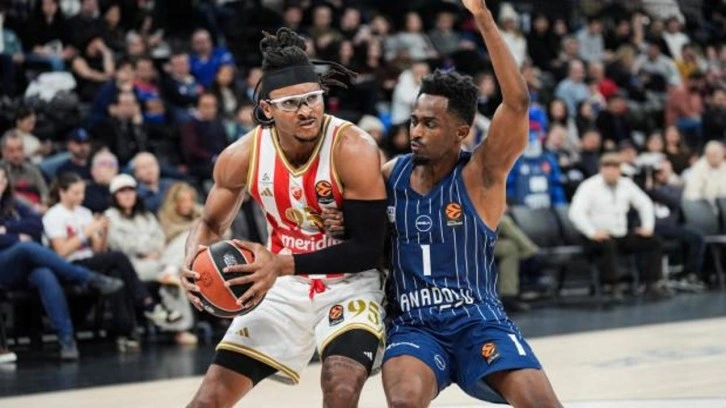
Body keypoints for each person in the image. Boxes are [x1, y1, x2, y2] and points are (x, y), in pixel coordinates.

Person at [328, 1, 561, 405]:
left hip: (479, 321)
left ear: (461, 132)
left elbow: (517, 104)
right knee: (404, 402)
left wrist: (483, 18)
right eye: (415, 120)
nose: (416, 132)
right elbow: (368, 242)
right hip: (414, 326)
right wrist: (345, 224)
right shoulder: (390, 174)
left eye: (430, 124)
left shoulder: (482, 175)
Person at [180, 27, 387, 407]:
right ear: (267, 109)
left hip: (349, 283)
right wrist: (193, 262)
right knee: (207, 400)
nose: (306, 111)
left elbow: (367, 249)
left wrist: (281, 264)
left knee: (340, 389)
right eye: (291, 104)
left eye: (312, 98)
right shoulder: (240, 156)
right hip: (280, 285)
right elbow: (209, 223)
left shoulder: (353, 147)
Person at [43, 172, 181, 351]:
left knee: (116, 278)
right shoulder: (54, 215)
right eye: (75, 193)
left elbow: (98, 251)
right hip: (69, 265)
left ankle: (126, 334)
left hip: (90, 259)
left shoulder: (84, 212)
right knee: (118, 257)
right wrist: (85, 232)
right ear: (62, 192)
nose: (81, 197)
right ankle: (149, 304)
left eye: (82, 192)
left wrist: (103, 232)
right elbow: (61, 252)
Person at [0, 165, 123, 360]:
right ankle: (88, 278)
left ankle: (67, 340)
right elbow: (23, 236)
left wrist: (6, 229)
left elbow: (37, 224)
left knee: (45, 275)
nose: (0, 185)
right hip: (3, 266)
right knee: (26, 247)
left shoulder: (13, 203)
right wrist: (16, 236)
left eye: (2, 180)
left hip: (24, 266)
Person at [105, 174, 197, 345]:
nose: (127, 195)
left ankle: (170, 271)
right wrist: (145, 249)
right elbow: (119, 245)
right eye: (122, 192)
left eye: (130, 191)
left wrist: (150, 248)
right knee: (171, 274)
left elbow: (160, 239)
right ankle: (180, 328)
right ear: (114, 196)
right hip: (133, 265)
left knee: (187, 236)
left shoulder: (145, 216)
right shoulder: (110, 217)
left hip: (157, 259)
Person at [569, 153, 669, 301]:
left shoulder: (626, 184)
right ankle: (613, 286)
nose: (611, 171)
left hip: (620, 233)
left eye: (614, 168)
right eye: (607, 167)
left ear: (619, 170)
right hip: (595, 236)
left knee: (653, 241)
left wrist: (647, 226)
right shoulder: (589, 186)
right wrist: (592, 232)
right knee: (606, 245)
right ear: (601, 169)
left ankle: (651, 283)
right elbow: (576, 213)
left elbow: (645, 204)